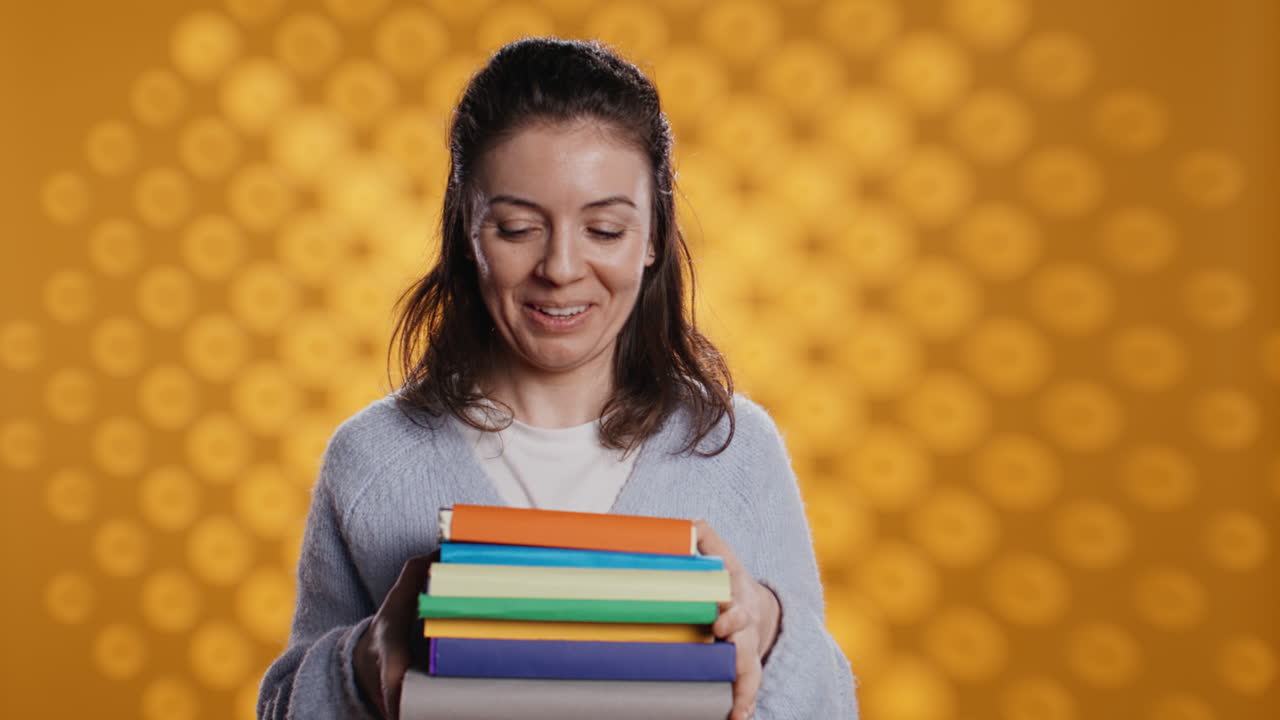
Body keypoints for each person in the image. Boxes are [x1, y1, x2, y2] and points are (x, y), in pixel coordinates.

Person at [258, 37, 858, 720]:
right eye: (516, 228)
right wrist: (365, 664)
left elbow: (830, 707)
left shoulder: (734, 449)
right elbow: (284, 707)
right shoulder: (371, 460)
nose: (562, 268)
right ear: (466, 231)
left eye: (604, 230)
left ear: (655, 233)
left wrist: (771, 626)